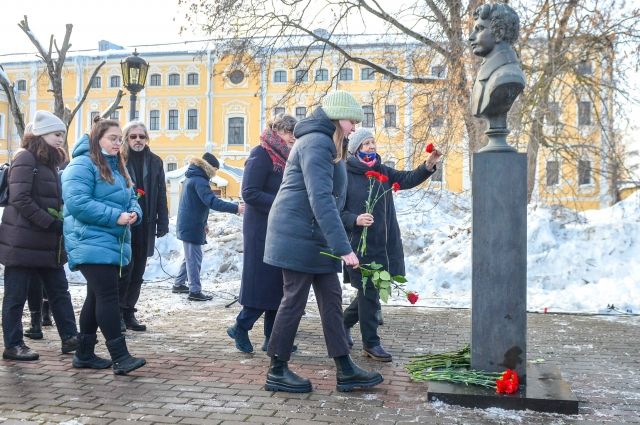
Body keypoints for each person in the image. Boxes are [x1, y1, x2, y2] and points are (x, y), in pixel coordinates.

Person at [263, 90, 383, 393]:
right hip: (297, 235)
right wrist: (344, 248)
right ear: (336, 117)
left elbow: (331, 199)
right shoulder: (316, 143)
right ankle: (277, 369)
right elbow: (321, 198)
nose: (354, 127)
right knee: (294, 301)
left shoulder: (328, 143)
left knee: (331, 299)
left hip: (314, 236)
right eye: (351, 121)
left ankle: (345, 369)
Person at [341, 128, 442, 362]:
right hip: (359, 245)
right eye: (365, 143)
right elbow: (337, 210)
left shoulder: (382, 171)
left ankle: (342, 323)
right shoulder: (344, 174)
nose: (371, 146)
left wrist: (428, 165)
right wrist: (354, 219)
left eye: (373, 142)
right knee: (369, 292)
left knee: (370, 292)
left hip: (384, 244)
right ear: (356, 149)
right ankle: (371, 344)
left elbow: (407, 179)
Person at [62, 116, 145, 375]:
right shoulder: (81, 165)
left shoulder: (117, 165)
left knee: (96, 297)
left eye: (120, 139)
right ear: (97, 138)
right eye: (113, 138)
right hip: (89, 240)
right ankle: (120, 357)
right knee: (108, 296)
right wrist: (115, 216)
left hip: (110, 240)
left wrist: (134, 213)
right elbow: (77, 203)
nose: (118, 143)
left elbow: (131, 196)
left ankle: (84, 354)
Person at [0, 111, 79, 361]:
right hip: (22, 242)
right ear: (42, 135)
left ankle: (70, 338)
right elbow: (20, 198)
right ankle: (13, 345)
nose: (60, 140)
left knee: (59, 291)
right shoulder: (25, 158)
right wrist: (50, 223)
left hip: (46, 244)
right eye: (57, 134)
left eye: (62, 135)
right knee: (16, 296)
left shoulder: (49, 162)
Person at [227, 114, 298, 354]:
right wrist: (282, 202)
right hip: (260, 230)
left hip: (278, 229)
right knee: (262, 284)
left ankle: (273, 339)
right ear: (275, 131)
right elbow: (249, 193)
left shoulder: (285, 157)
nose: (291, 136)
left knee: (278, 285)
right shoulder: (261, 153)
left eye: (293, 132)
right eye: (287, 131)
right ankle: (240, 326)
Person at [118, 121, 169, 332]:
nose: (138, 140)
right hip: (125, 223)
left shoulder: (156, 162)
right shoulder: (119, 161)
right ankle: (118, 313)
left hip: (146, 223)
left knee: (138, 270)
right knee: (125, 270)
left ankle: (129, 312)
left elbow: (161, 193)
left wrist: (163, 220)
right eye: (133, 136)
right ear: (126, 139)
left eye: (141, 136)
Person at [173, 153, 245, 301]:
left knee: (189, 257)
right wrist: (236, 208)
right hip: (191, 225)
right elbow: (211, 202)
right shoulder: (199, 180)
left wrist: (204, 223)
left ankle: (179, 284)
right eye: (215, 170)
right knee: (194, 258)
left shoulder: (191, 178)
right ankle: (194, 291)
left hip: (190, 223)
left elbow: (195, 204)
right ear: (210, 167)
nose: (215, 174)